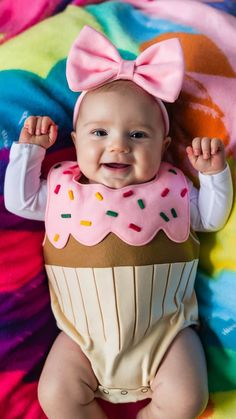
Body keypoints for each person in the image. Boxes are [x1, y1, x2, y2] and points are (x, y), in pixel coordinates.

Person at [4, 26, 233, 419]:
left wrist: (213, 175)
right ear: (75, 142)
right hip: (81, 340)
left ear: (163, 148)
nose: (118, 145)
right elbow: (19, 201)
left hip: (166, 336)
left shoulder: (174, 187)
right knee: (55, 393)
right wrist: (28, 152)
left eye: (138, 134)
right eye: (99, 132)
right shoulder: (62, 186)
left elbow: (212, 219)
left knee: (186, 399)